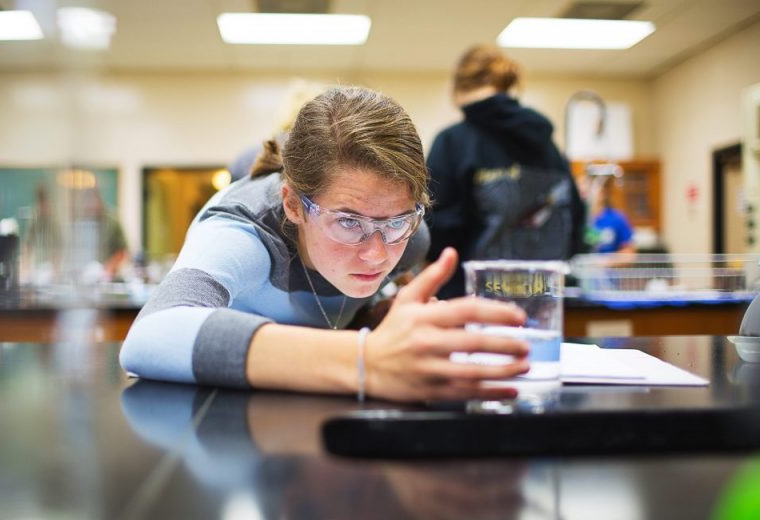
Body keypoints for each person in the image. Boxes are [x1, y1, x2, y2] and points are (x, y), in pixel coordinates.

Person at [120, 85, 531, 403]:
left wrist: (379, 317)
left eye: (397, 220)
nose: (377, 252)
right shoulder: (244, 233)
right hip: (218, 423)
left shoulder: (410, 241)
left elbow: (329, 314)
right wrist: (366, 359)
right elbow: (151, 336)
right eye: (349, 222)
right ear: (295, 206)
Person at [426, 45, 586, 299]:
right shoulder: (547, 144)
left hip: (473, 304)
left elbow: (437, 231)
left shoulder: (453, 142)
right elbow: (576, 220)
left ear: (458, 89)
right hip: (544, 301)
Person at [588, 177, 636, 255]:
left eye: (590, 191)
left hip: (608, 266)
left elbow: (629, 253)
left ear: (602, 193)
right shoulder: (577, 220)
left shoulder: (617, 218)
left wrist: (604, 262)